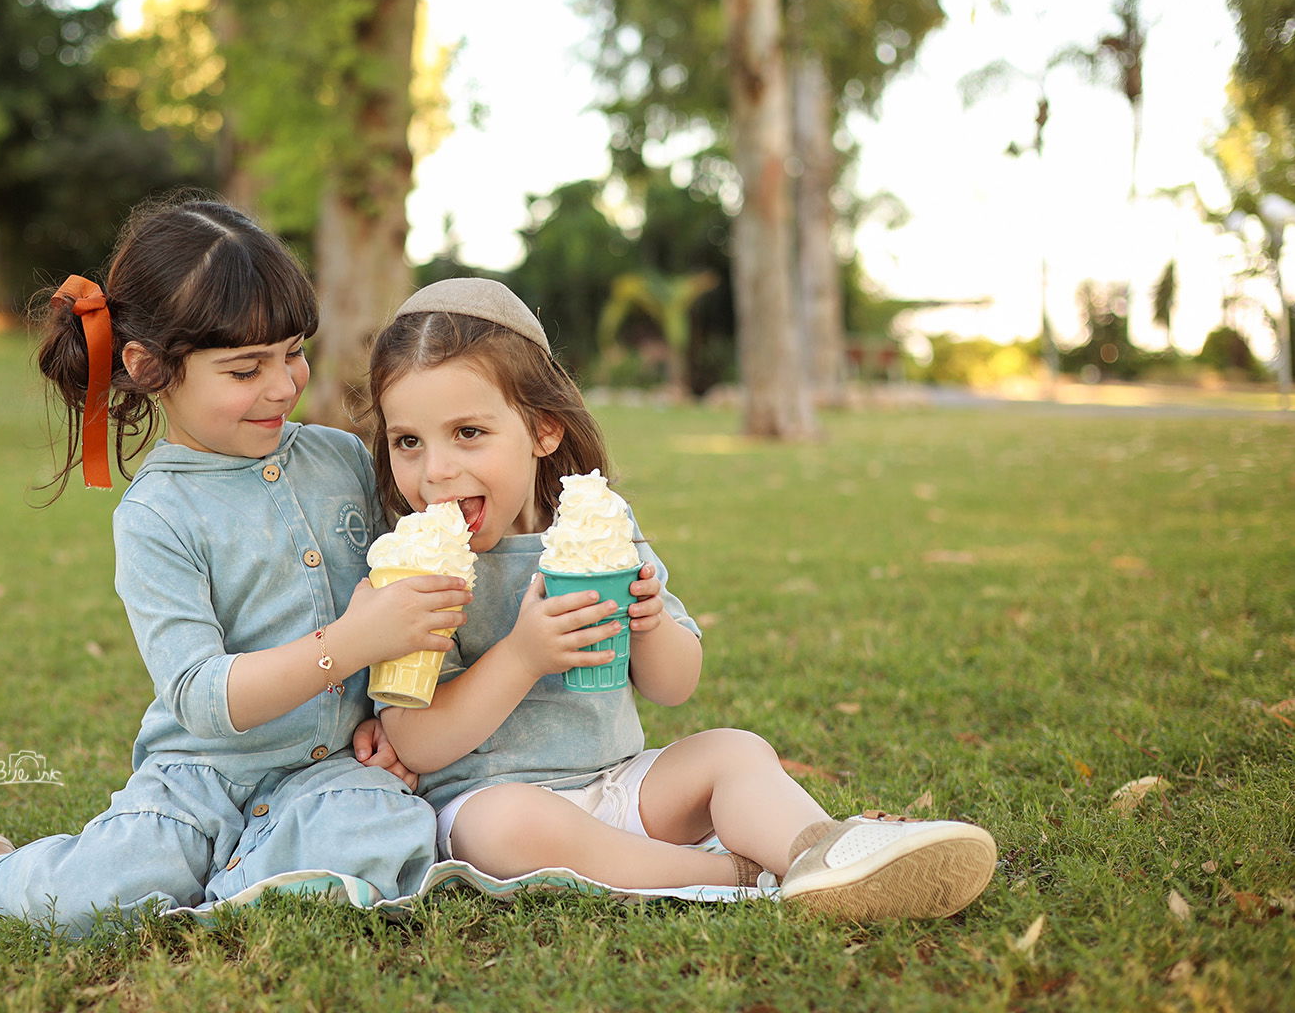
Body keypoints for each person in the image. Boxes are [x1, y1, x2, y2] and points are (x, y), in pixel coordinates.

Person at [0, 197, 468, 936]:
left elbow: (410, 605)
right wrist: (350, 643)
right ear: (150, 367)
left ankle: (238, 885)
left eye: (293, 352)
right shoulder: (157, 516)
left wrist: (392, 720)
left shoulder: (343, 459)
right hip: (201, 777)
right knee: (106, 891)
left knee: (381, 834)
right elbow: (199, 694)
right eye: (246, 368)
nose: (286, 384)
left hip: (332, 775)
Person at [363, 278, 997, 919]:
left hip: (623, 784)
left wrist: (649, 624)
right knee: (501, 829)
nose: (435, 470)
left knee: (734, 749)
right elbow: (415, 743)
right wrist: (523, 656)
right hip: (495, 800)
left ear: (544, 430)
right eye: (408, 441)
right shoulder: (404, 577)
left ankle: (821, 847)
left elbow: (675, 685)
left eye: (468, 432)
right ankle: (744, 874)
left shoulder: (601, 527)